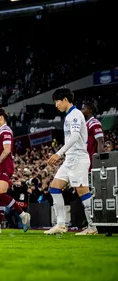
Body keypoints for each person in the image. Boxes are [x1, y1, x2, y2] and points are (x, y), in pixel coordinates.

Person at [46, 88, 93, 235]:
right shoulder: (69, 115)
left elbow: (74, 137)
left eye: (57, 101)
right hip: (70, 158)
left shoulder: (75, 114)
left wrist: (59, 153)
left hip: (78, 158)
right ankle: (61, 224)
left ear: (65, 99)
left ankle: (93, 226)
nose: (56, 105)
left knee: (82, 191)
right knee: (54, 187)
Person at [0, 108, 31, 234]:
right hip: (0, 165)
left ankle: (23, 215)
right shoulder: (0, 131)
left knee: (0, 195)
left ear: (1, 117)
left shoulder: (5, 131)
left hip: (4, 165)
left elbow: (7, 150)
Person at [77, 101, 105, 235]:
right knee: (88, 194)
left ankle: (94, 224)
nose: (82, 110)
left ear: (90, 110)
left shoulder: (94, 123)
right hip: (86, 164)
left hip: (93, 165)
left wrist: (100, 161)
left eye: (84, 108)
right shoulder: (86, 124)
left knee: (90, 194)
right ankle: (92, 224)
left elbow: (100, 140)